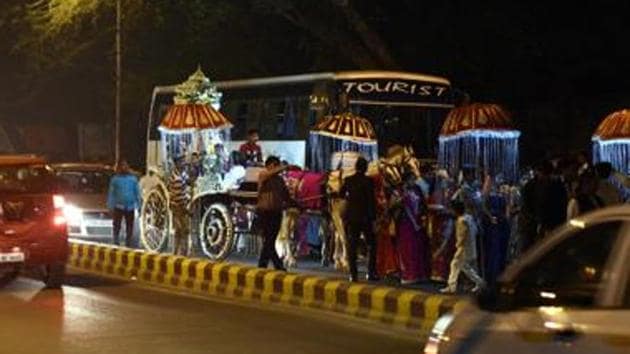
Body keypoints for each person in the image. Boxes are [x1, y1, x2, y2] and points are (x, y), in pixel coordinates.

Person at [339, 156, 378, 282]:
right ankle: (370, 273)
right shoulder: (368, 181)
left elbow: (341, 194)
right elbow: (371, 201)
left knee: (352, 245)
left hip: (351, 217)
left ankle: (353, 275)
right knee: (371, 244)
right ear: (365, 167)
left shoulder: (348, 180)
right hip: (365, 218)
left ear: (355, 167)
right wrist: (374, 218)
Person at [440, 200, 485, 294]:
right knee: (466, 267)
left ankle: (452, 287)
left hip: (464, 249)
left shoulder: (461, 220)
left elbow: (464, 233)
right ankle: (479, 283)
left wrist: (459, 244)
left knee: (456, 265)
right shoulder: (469, 217)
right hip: (471, 246)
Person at [395, 172, 430, 284]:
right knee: (407, 249)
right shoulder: (400, 190)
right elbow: (394, 206)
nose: (413, 181)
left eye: (414, 179)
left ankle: (419, 274)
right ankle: (408, 275)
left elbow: (423, 204)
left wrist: (423, 215)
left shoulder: (417, 189)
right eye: (411, 179)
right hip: (406, 224)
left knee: (418, 249)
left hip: (417, 223)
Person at [256, 156, 290, 270]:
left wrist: (296, 204)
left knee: (270, 240)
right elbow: (270, 173)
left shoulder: (280, 180)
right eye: (275, 164)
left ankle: (262, 265)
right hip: (265, 212)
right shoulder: (263, 175)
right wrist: (283, 167)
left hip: (276, 213)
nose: (277, 167)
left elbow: (286, 196)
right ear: (269, 165)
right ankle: (278, 265)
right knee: (269, 241)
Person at [107, 160, 141, 247]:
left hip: (130, 207)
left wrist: (139, 205)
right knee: (117, 225)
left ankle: (128, 242)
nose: (123, 168)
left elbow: (137, 192)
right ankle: (116, 240)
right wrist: (110, 206)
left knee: (130, 226)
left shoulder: (133, 179)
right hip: (119, 206)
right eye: (121, 166)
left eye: (125, 166)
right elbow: (111, 194)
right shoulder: (115, 180)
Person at [169, 156, 191, 256]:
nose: (184, 163)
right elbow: (178, 196)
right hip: (178, 206)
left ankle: (176, 252)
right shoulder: (175, 177)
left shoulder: (182, 174)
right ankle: (183, 253)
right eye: (181, 162)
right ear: (177, 164)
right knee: (183, 230)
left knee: (179, 231)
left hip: (180, 205)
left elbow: (189, 181)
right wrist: (186, 210)